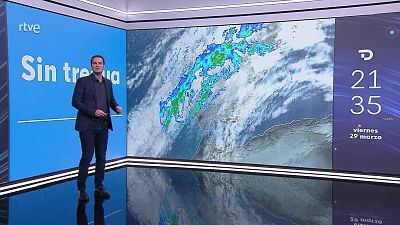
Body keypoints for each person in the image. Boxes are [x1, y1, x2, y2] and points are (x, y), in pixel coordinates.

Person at [72, 55, 122, 202]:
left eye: (100, 63)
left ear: (104, 66)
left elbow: (111, 100)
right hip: (87, 126)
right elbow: (75, 101)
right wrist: (93, 112)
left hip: (103, 125)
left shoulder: (108, 83)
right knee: (87, 157)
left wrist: (116, 107)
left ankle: (98, 186)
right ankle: (81, 190)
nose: (97, 65)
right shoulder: (83, 82)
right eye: (95, 63)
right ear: (91, 66)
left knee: (101, 157)